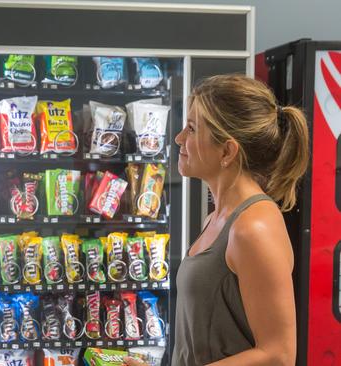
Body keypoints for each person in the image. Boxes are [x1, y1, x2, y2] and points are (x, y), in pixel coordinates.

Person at [126, 74, 308, 366]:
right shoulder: (216, 218)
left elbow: (279, 354)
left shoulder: (252, 228)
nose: (179, 138)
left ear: (227, 151)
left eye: (192, 129)